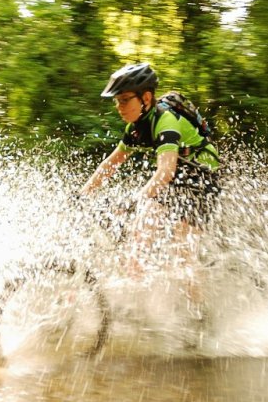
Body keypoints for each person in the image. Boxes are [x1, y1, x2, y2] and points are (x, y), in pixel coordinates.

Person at [79, 62, 220, 275]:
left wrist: (137, 200)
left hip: (202, 176)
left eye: (125, 100)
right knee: (140, 231)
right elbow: (111, 163)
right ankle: (137, 295)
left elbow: (165, 171)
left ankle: (200, 307)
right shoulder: (135, 128)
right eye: (118, 101)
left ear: (145, 98)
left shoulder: (166, 121)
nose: (120, 107)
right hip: (177, 176)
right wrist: (83, 194)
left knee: (184, 256)